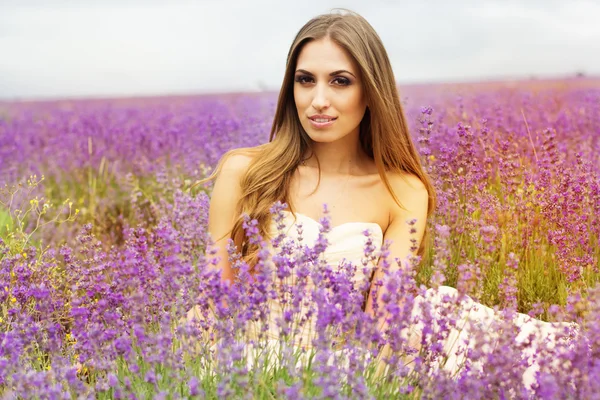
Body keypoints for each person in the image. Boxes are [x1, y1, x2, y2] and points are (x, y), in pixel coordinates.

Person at [188, 8, 576, 389]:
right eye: (306, 80)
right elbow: (213, 297)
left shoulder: (403, 190)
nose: (318, 99)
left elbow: (381, 326)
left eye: (340, 81)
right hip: (252, 355)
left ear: (371, 91)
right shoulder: (245, 171)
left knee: (551, 369)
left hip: (360, 355)